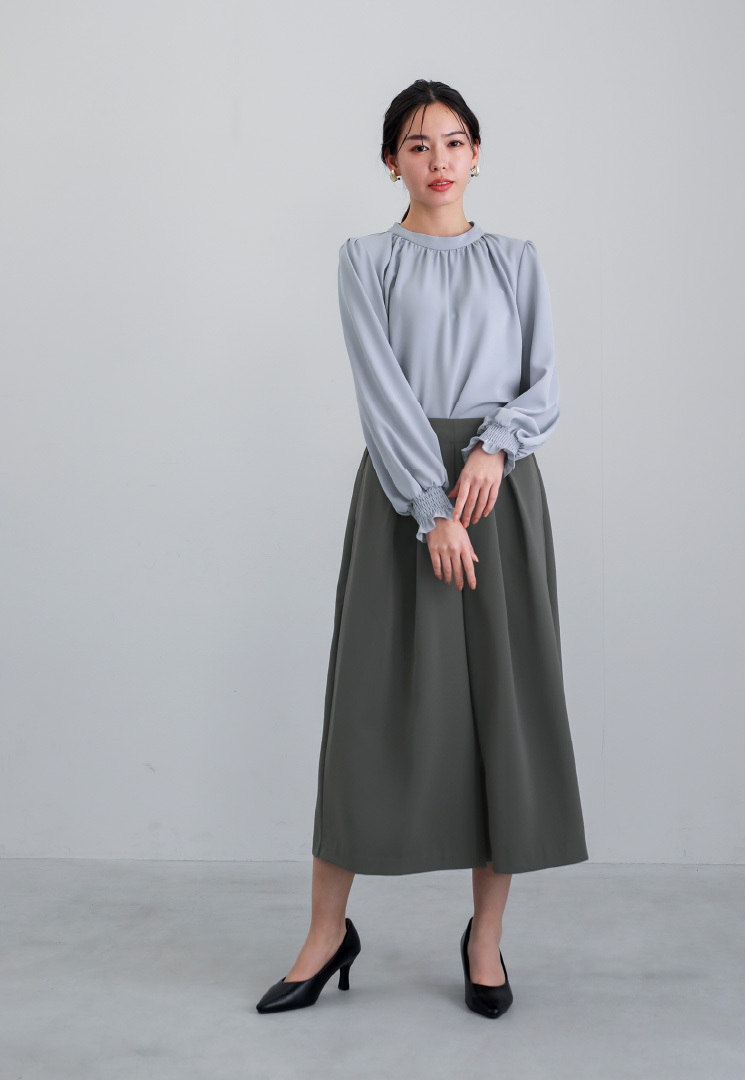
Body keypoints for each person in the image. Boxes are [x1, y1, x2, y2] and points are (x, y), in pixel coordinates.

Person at [256, 79, 588, 1019]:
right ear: (390, 161)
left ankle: (485, 940)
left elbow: (544, 384)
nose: (437, 160)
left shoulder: (517, 260)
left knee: (502, 712)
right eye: (416, 144)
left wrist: (493, 450)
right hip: (407, 495)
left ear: (477, 154)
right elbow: (381, 391)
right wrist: (429, 506)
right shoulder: (366, 260)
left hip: (499, 494)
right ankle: (326, 934)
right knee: (369, 705)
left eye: (452, 142)